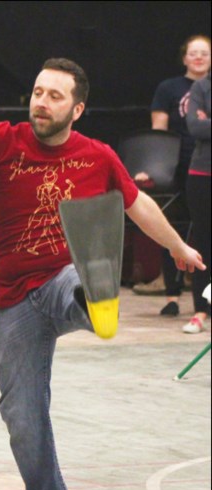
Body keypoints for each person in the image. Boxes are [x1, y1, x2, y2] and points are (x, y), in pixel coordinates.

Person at [0, 58, 205, 490]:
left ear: (76, 109)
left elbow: (138, 202)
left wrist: (177, 248)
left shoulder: (96, 156)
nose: (41, 102)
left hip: (62, 281)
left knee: (77, 279)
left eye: (55, 96)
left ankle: (97, 300)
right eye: (37, 92)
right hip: (13, 299)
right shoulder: (2, 140)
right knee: (22, 419)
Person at [133, 35, 211, 319]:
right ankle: (172, 294)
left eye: (205, 53)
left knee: (203, 234)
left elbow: (202, 126)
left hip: (203, 163)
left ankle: (203, 299)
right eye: (194, 53)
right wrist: (153, 165)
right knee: (173, 228)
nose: (199, 57)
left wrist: (204, 123)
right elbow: (161, 132)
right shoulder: (170, 88)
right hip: (177, 164)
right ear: (185, 57)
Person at [183, 71, 211, 334]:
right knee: (203, 242)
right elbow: (195, 127)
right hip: (203, 175)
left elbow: (205, 126)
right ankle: (201, 310)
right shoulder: (202, 87)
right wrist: (203, 123)